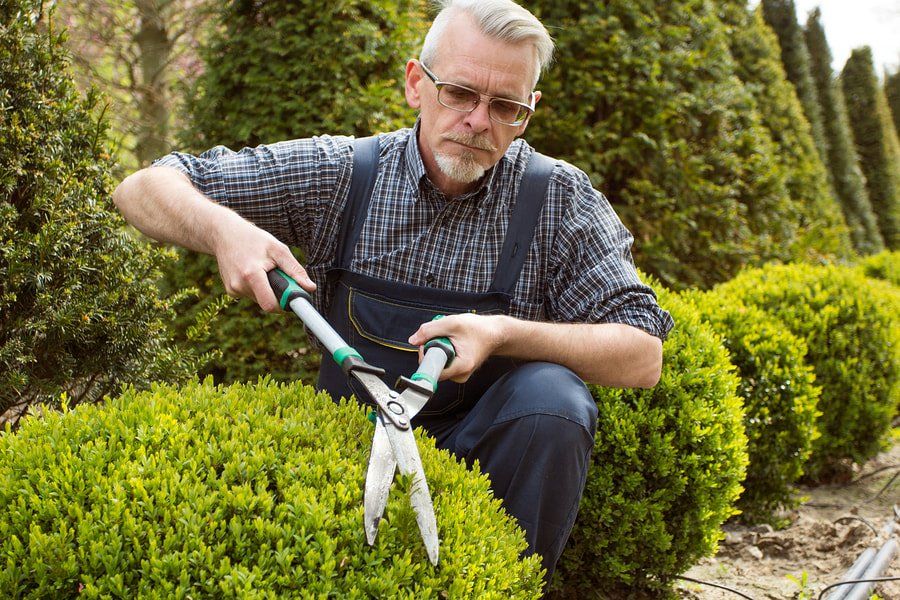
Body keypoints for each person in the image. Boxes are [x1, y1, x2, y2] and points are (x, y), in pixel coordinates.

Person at [113, 0, 673, 581]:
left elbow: (643, 354)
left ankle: (506, 588)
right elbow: (142, 188)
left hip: (494, 466)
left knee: (556, 398)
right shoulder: (343, 174)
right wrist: (224, 229)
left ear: (527, 114)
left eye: (504, 106)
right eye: (459, 93)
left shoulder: (559, 200)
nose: (479, 121)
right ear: (416, 84)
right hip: (346, 449)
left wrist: (502, 333)